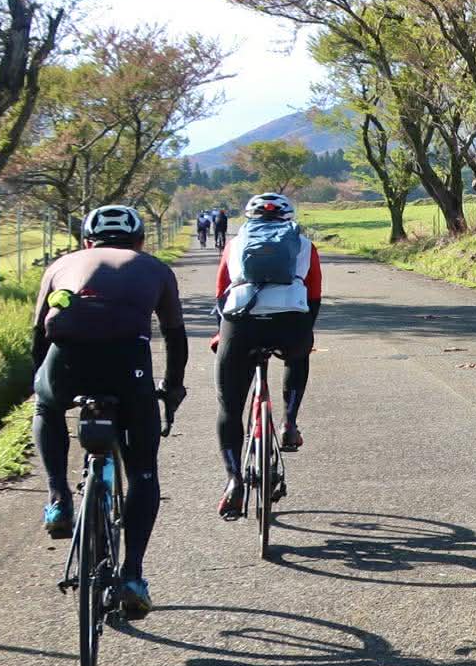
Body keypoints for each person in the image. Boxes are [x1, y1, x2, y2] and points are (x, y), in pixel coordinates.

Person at [29, 203, 187, 617]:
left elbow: (38, 337)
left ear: (87, 242)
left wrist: (43, 386)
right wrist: (172, 389)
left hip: (67, 361)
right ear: (140, 241)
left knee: (46, 407)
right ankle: (132, 575)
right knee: (143, 470)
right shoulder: (154, 268)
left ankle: (58, 498)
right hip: (128, 368)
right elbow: (175, 336)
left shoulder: (61, 264)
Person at [212, 192, 322, 518]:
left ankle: (234, 480)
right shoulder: (305, 245)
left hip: (241, 325)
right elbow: (314, 296)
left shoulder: (235, 244)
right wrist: (304, 334)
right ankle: (289, 423)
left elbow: (221, 293)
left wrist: (221, 334)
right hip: (291, 323)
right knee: (299, 356)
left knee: (229, 407)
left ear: (250, 218)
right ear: (288, 218)